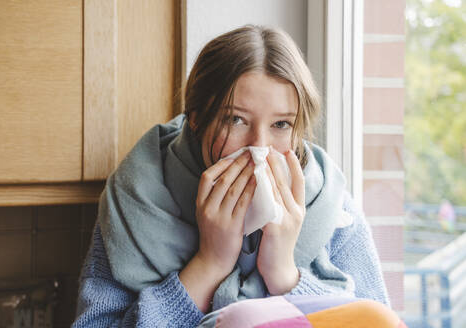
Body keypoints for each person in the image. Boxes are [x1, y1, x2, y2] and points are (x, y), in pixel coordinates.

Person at [71, 25, 391, 327]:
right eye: (236, 120)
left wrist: (283, 274)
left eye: (281, 124)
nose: (259, 148)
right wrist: (209, 263)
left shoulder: (334, 209)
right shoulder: (135, 198)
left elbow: (377, 320)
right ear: (196, 119)